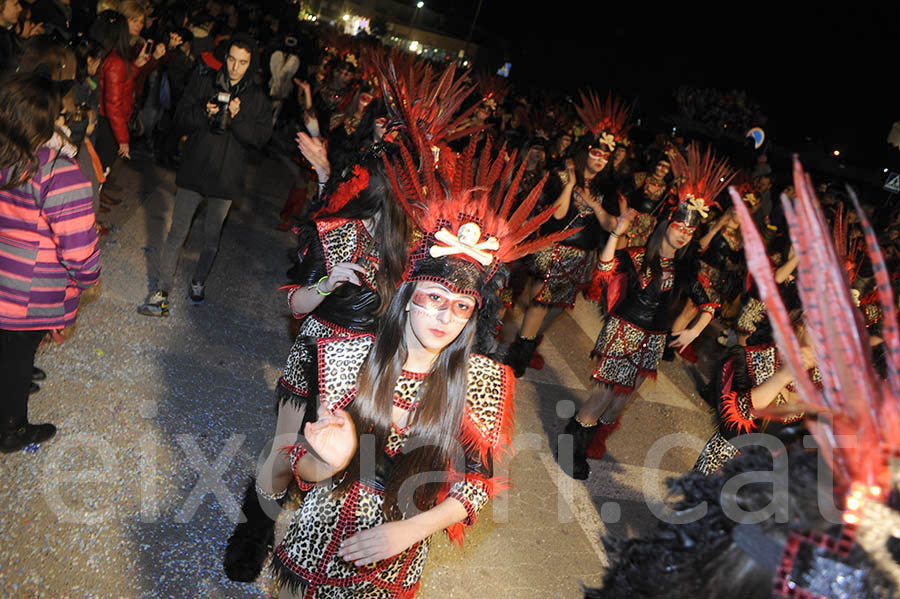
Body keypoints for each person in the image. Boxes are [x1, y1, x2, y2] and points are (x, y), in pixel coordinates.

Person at [265, 128, 563, 598]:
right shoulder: (348, 354)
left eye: (463, 306)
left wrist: (410, 531)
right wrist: (332, 462)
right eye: (435, 297)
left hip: (395, 560)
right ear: (406, 297)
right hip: (319, 541)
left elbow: (477, 487)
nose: (447, 316)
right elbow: (299, 469)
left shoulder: (482, 380)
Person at [585, 157, 900, 599]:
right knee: (685, 562)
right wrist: (793, 371)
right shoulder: (756, 356)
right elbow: (737, 420)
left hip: (776, 503)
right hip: (723, 479)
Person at [558, 142, 733, 479]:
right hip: (625, 331)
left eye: (690, 231)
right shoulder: (639, 255)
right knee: (603, 394)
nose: (683, 235)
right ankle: (572, 445)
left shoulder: (685, 270)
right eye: (680, 227)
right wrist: (616, 235)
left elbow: (710, 303)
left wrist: (694, 330)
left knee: (622, 402)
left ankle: (588, 434)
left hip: (653, 342)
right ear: (667, 224)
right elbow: (606, 267)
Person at [0, 72, 100, 453]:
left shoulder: (7, 157)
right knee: (18, 357)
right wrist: (88, 276)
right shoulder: (57, 172)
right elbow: (78, 245)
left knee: (8, 350)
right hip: (29, 290)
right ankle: (11, 429)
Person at [138, 33, 271, 315]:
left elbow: (260, 138)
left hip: (226, 177)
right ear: (225, 58)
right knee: (177, 231)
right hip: (196, 169)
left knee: (212, 237)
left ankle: (198, 281)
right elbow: (180, 119)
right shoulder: (204, 81)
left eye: (243, 63)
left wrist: (237, 118)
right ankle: (162, 290)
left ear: (251, 65)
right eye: (232, 60)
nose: (235, 67)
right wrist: (204, 111)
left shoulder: (256, 97)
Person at [504, 91, 630, 378]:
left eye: (605, 156)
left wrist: (594, 203)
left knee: (557, 307)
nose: (599, 159)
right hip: (555, 250)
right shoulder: (560, 175)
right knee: (539, 302)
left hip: (583, 258)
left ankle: (527, 341)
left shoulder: (608, 188)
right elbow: (557, 215)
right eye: (595, 153)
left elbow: (612, 225)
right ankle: (519, 355)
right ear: (586, 151)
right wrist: (571, 184)